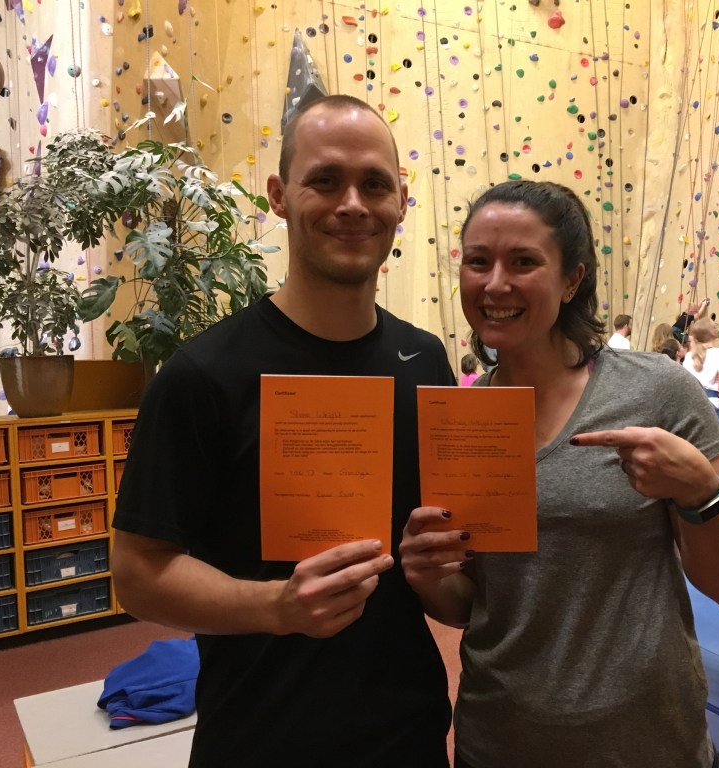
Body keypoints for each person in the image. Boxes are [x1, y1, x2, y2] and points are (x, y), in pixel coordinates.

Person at [110, 95, 455, 766]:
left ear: (401, 201)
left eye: (374, 184)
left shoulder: (425, 360)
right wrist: (278, 607)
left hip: (406, 736)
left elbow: (442, 551)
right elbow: (137, 574)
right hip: (258, 740)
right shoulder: (203, 374)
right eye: (325, 180)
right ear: (278, 195)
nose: (352, 204)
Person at [400, 179, 719, 768]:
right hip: (499, 741)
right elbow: (472, 605)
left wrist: (701, 491)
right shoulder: (461, 418)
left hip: (646, 744)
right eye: (478, 261)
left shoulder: (657, 391)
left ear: (572, 280)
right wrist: (426, 577)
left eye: (523, 262)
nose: (495, 283)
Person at [683, 317, 719, 479]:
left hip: (693, 410)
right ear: (712, 333)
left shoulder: (688, 357)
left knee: (695, 459)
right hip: (713, 408)